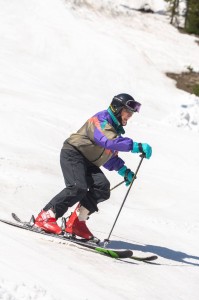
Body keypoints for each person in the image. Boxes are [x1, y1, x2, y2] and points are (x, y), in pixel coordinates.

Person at [34, 93, 152, 240]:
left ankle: (76, 223)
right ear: (117, 108)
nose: (129, 116)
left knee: (102, 187)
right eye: (127, 112)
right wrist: (135, 146)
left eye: (131, 113)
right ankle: (45, 217)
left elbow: (109, 156)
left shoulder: (114, 130)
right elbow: (107, 142)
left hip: (88, 161)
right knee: (78, 187)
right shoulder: (101, 120)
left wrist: (124, 171)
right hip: (74, 153)